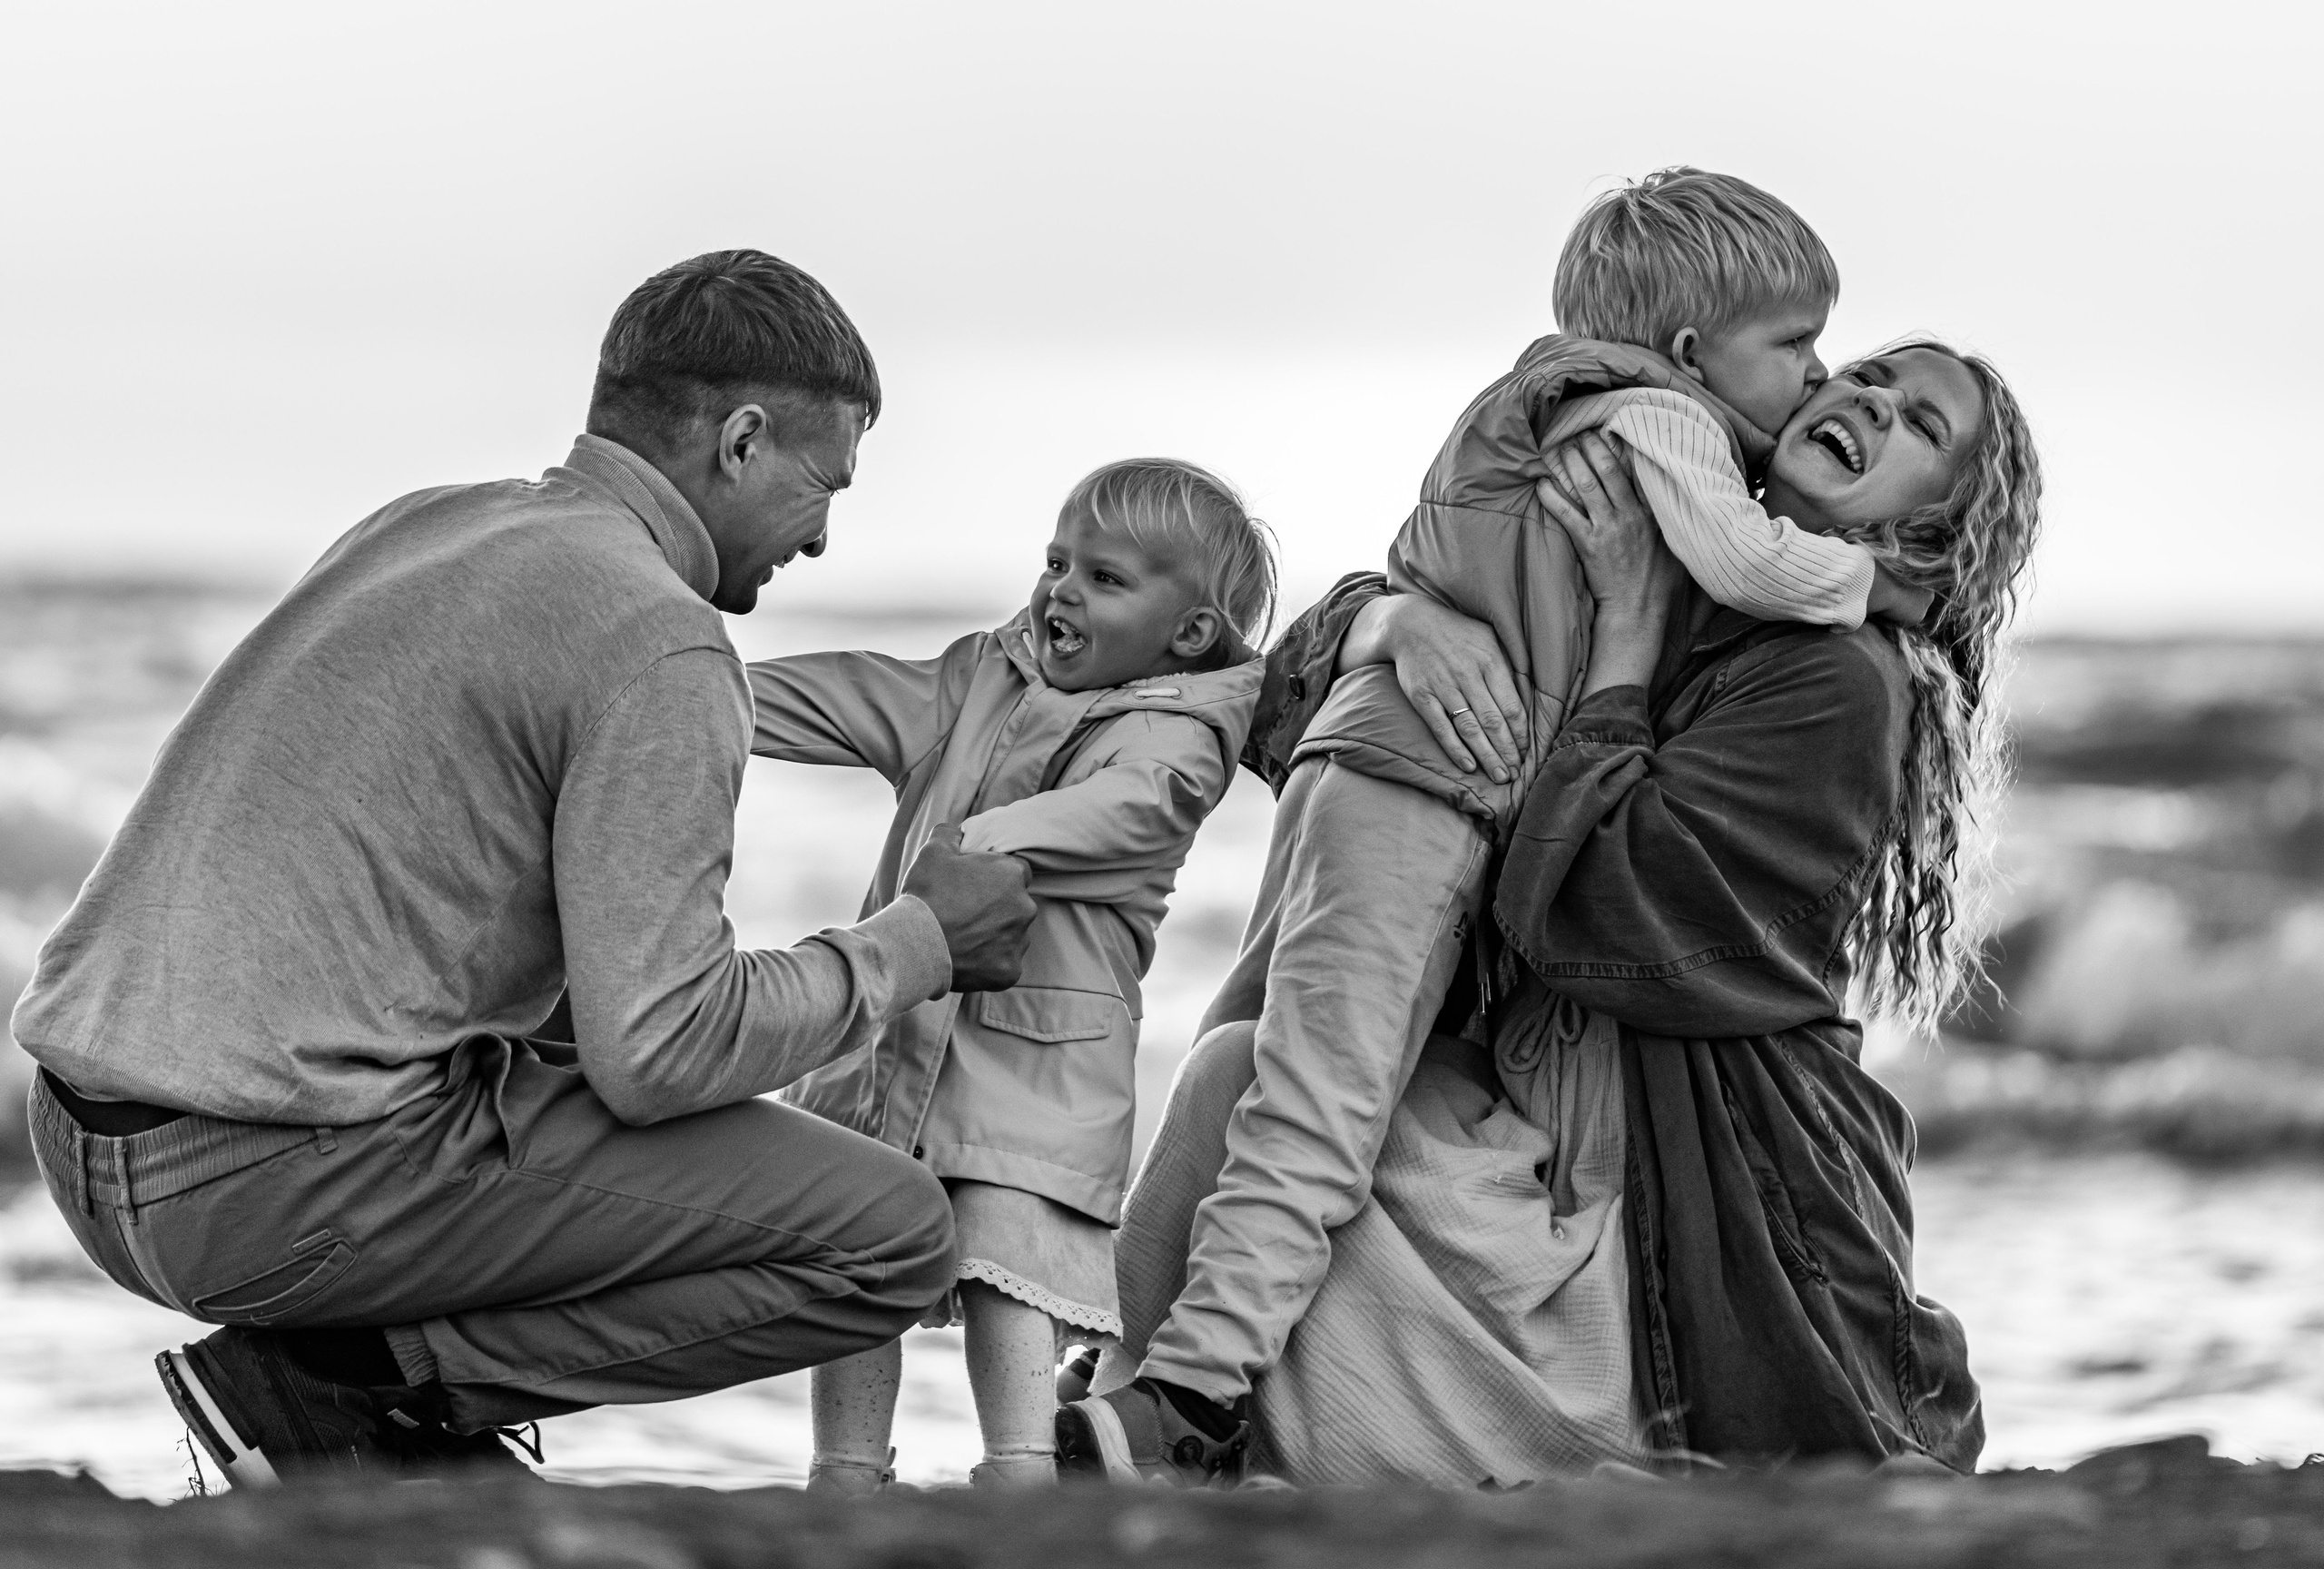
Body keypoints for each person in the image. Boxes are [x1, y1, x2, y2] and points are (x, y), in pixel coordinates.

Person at [6, 250, 1039, 1486]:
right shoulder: (663, 639)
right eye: (825, 484)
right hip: (251, 1192)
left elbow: (528, 985)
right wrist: (916, 946)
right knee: (893, 1239)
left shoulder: (425, 523)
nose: (821, 538)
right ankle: (348, 1392)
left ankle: (346, 1399)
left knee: (561, 1053)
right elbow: (661, 1053)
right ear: (743, 442)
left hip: (78, 1145)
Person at [1059, 167, 1931, 1480]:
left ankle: (1173, 1394)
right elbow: (1289, 686)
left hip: (1642, 1184)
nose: (1839, 386)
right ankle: (1150, 1388)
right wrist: (1393, 621)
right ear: (1695, 349)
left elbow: (1606, 910)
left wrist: (1625, 641)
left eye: (1914, 418)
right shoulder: (1649, 494)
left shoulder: (1827, 671)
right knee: (1249, 1063)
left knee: (1271, 1081)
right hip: (1508, 1081)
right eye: (1841, 363)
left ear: (1932, 526)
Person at [745, 459, 1271, 1491]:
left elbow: (1123, 810)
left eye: (1104, 579)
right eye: (1056, 562)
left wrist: (970, 845)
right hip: (896, 1051)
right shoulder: (980, 680)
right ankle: (843, 1475)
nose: (1062, 591)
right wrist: (704, 695)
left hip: (1038, 1070)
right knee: (852, 1258)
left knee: (1007, 1270)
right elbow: (862, 694)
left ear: (1190, 633)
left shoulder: (1181, 741)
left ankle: (1022, 1476)